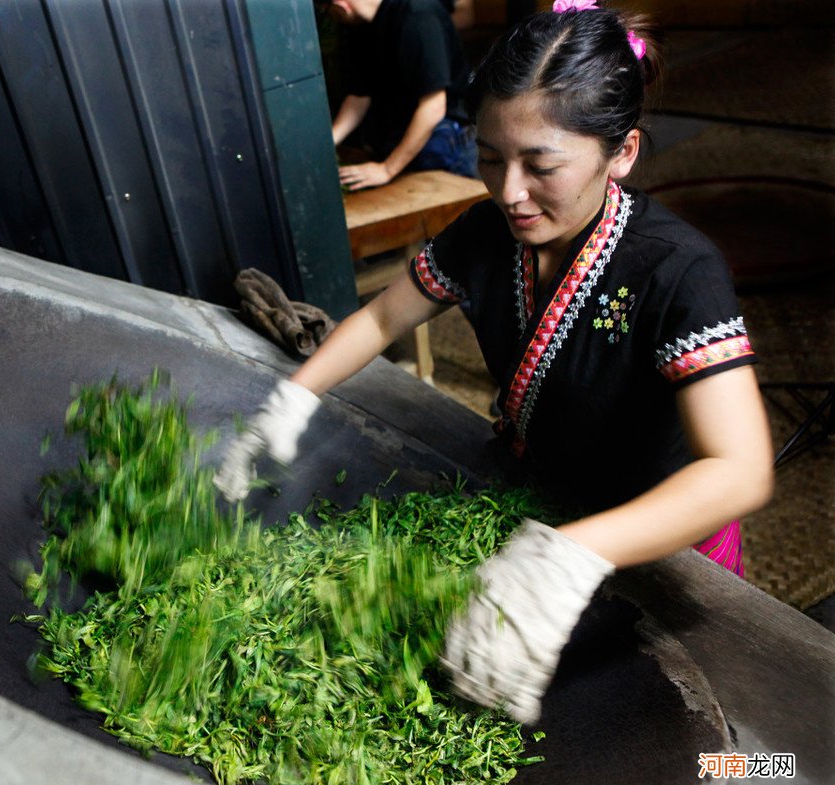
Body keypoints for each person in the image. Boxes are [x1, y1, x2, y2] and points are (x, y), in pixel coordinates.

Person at [217, 1, 774, 724]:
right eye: (488, 157)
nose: (509, 192)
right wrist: (293, 396)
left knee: (704, 736)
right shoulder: (485, 236)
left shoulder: (677, 272)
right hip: (546, 507)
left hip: (663, 547)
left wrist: (573, 554)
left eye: (541, 165)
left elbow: (739, 470)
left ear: (623, 152)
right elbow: (384, 316)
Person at [325, 0, 478, 188]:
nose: (332, 18)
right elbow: (359, 96)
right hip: (402, 141)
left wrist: (386, 170)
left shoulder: (418, 14)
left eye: (327, 11)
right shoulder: (360, 27)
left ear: (340, 5)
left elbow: (434, 106)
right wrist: (328, 142)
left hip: (446, 140)